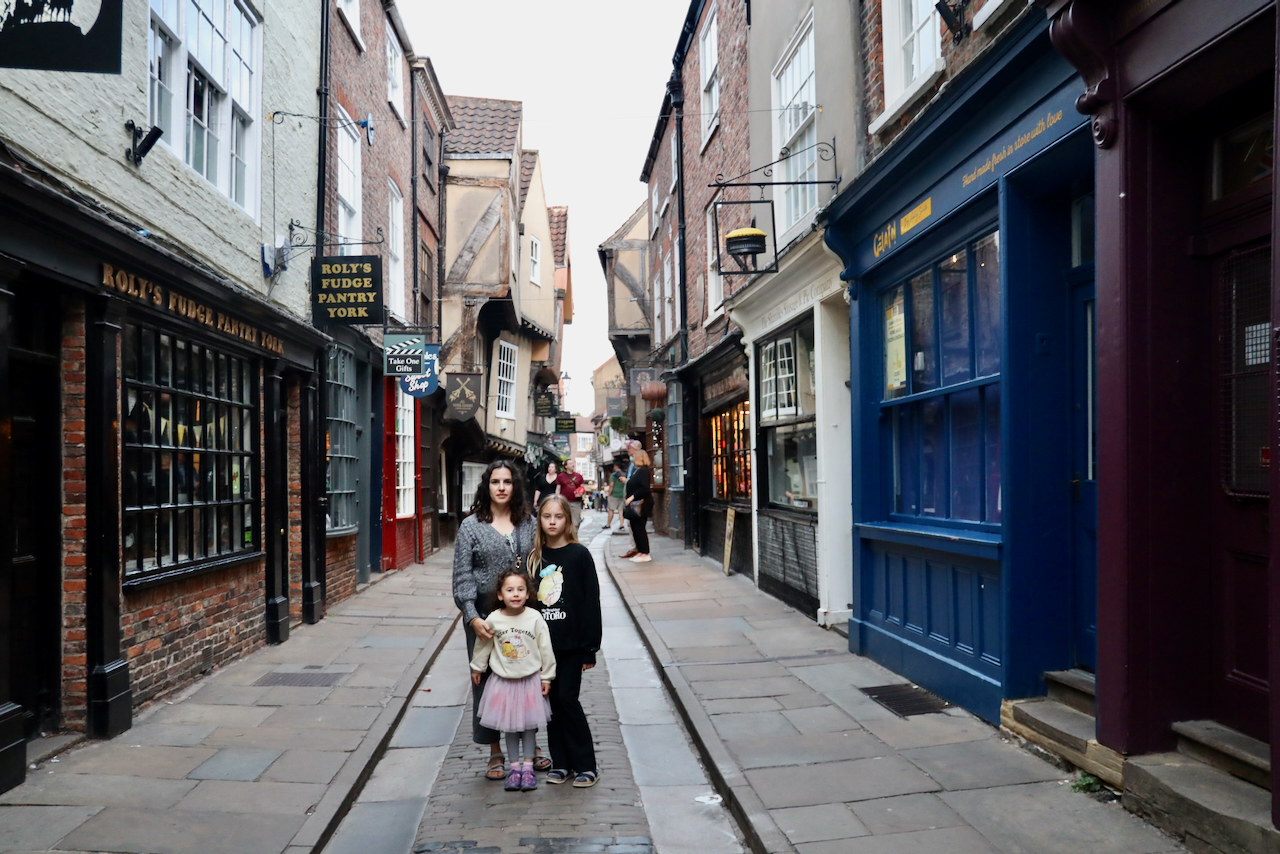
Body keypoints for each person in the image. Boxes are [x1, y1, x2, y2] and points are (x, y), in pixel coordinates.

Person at [452, 459, 551, 779]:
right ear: (487, 486)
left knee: (526, 679)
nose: (502, 487)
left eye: (507, 482)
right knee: (489, 684)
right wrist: (471, 617)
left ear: (515, 486)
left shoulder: (528, 522)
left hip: (524, 616)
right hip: (486, 620)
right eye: (496, 482)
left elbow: (545, 562)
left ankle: (532, 746)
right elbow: (462, 576)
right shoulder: (471, 526)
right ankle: (494, 750)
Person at [530, 494, 602, 788]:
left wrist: (590, 647)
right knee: (549, 705)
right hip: (542, 648)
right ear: (540, 520)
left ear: (567, 520)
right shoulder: (535, 557)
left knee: (567, 699)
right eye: (547, 517)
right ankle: (561, 763)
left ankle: (586, 764)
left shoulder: (579, 555)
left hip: (571, 646)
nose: (552, 522)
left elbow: (590, 602)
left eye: (558, 517)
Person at [470, 569, 556, 792]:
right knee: (509, 728)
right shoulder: (494, 619)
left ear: (528, 594)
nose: (515, 594)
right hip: (503, 683)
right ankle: (514, 768)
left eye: (520, 590)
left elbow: (545, 649)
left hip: (529, 682)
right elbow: (484, 645)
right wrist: (477, 666)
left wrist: (547, 676)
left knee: (528, 728)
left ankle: (528, 768)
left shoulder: (535, 618)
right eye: (509, 590)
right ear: (500, 595)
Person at [622, 448, 652, 562]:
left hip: (640, 504)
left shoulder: (643, 471)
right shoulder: (638, 470)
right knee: (635, 528)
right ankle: (640, 551)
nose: (632, 459)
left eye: (634, 457)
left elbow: (645, 488)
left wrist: (631, 497)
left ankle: (645, 553)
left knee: (640, 529)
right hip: (635, 504)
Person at [556, 458, 586, 527]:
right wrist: (556, 498)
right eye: (570, 463)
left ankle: (574, 536)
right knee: (564, 520)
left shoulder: (579, 476)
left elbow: (583, 488)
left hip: (576, 501)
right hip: (564, 501)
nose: (573, 465)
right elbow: (558, 488)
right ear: (566, 466)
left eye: (573, 463)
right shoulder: (561, 476)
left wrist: (580, 493)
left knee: (576, 521)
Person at [605, 462, 626, 531]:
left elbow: (611, 485)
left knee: (611, 510)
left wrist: (609, 494)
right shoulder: (625, 474)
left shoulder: (613, 475)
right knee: (621, 511)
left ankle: (608, 524)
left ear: (616, 466)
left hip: (614, 494)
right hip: (622, 494)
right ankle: (621, 525)